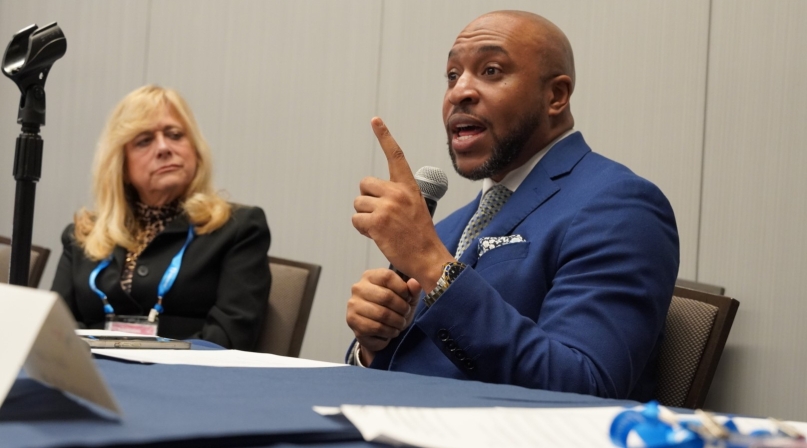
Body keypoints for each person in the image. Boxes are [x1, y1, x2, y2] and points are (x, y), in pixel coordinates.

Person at [346, 11, 679, 401]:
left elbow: (583, 387)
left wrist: (433, 265)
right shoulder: (452, 227)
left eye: (490, 70)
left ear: (556, 96)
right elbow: (413, 365)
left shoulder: (621, 208)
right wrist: (373, 345)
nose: (459, 91)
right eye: (453, 75)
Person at [52, 85, 271, 350]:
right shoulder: (83, 236)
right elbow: (57, 332)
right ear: (121, 165)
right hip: (95, 380)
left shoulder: (238, 228)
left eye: (175, 135)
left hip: (189, 382)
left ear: (195, 149)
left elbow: (229, 339)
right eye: (144, 140)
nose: (164, 147)